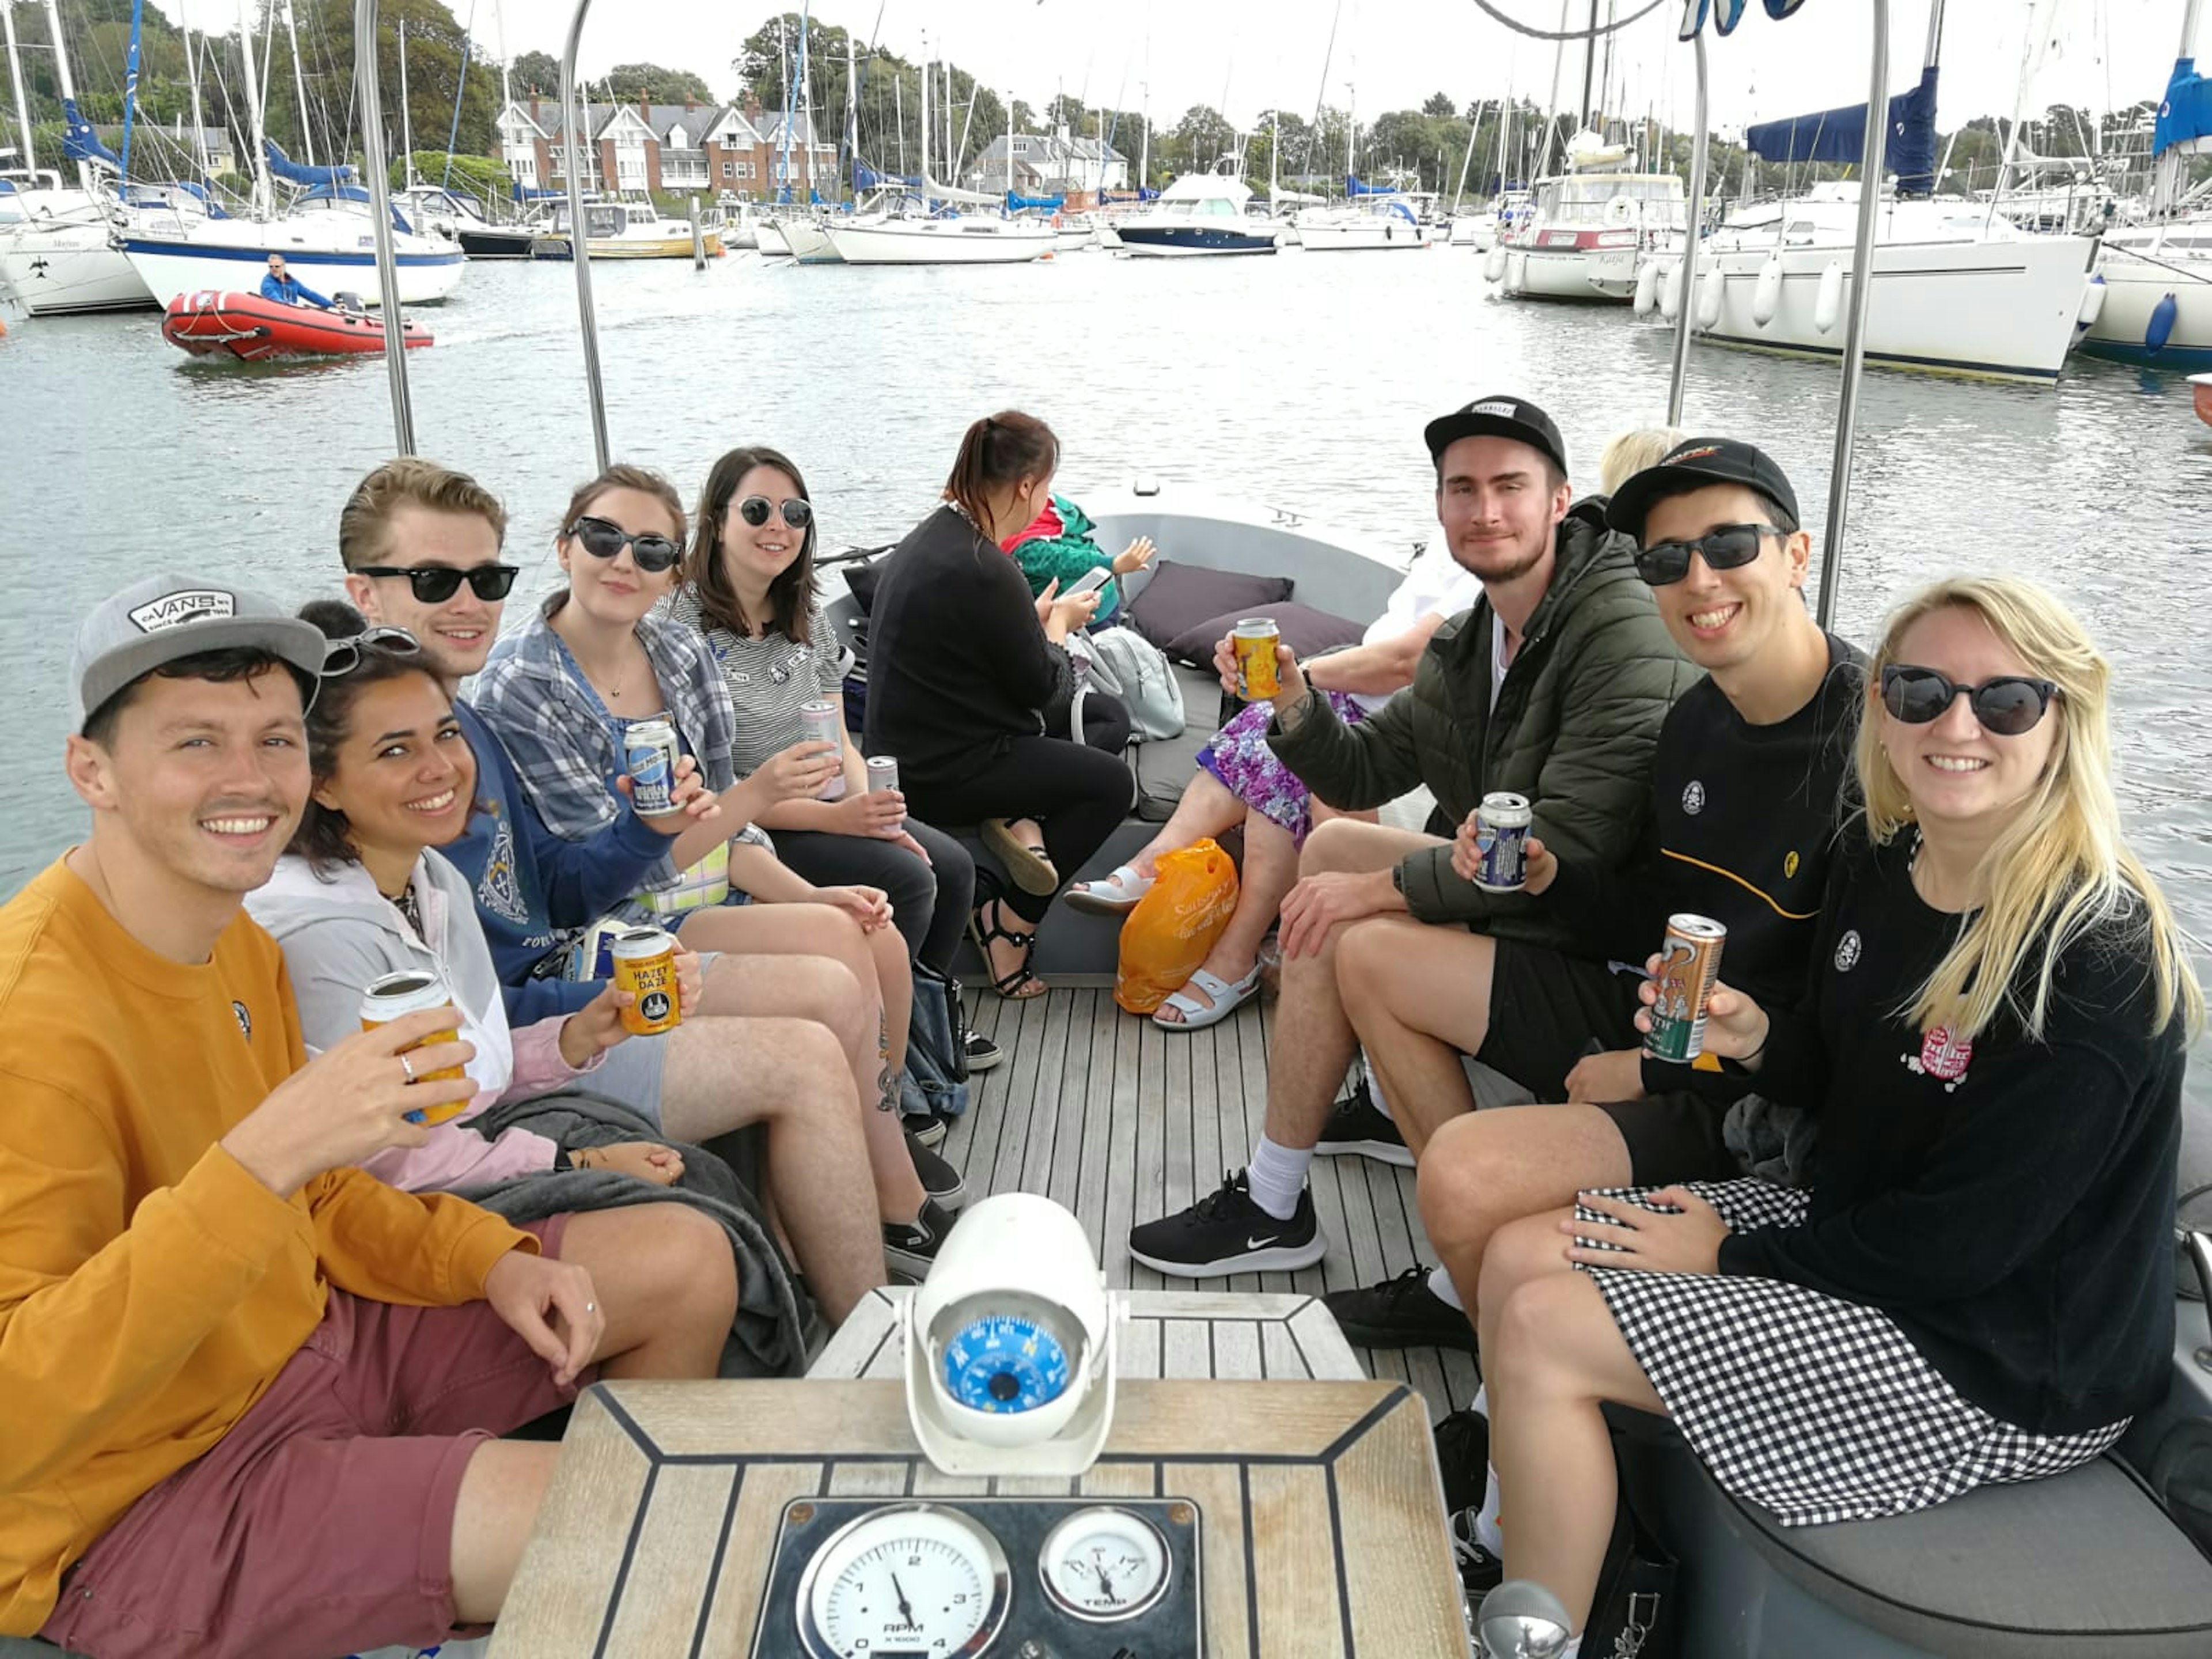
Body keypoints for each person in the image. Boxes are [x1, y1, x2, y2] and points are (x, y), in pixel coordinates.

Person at [4, 575, 736, 1659]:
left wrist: (491, 1260)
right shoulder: (32, 1023)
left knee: (684, 1260)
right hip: (136, 1494)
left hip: (302, 1343)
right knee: (634, 1526)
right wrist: (262, 1158)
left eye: (273, 740)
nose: (249, 780)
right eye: (195, 744)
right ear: (92, 771)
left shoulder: (232, 943)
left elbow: (327, 1199)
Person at [1471, 575, 2199, 1653]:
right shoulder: (1882, 859)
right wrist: (1758, 1038)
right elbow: (1843, 1063)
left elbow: (1959, 1245)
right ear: (1882, 710)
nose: (1956, 726)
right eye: (1920, 690)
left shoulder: (2092, 957)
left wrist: (1728, 1246)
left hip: (2003, 1357)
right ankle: (1515, 1548)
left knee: (1543, 1325)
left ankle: (1543, 1641)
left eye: (2006, 701)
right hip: (1863, 1240)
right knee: (1516, 1256)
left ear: (2062, 723)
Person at [338, 457, 950, 1285]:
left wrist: (651, 827)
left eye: (485, 578)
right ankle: (860, 1232)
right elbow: (534, 945)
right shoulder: (480, 713)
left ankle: (861, 1192)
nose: (466, 601)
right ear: (364, 594)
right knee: (831, 992)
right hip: (566, 987)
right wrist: (595, 997)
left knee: (865, 929)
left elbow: (560, 884)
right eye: (431, 578)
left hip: (573, 964)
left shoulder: (472, 721)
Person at [1127, 395, 1696, 1278]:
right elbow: (1361, 773)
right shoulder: (1482, 637)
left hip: (1618, 961)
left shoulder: (1619, 633)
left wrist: (1379, 895)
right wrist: (1290, 702)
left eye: (1511, 486)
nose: (1485, 510)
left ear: (1560, 501)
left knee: (1360, 941)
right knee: (1332, 851)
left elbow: (1566, 853)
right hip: (1536, 911)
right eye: (1462, 489)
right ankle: (1281, 1198)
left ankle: (1455, 1253)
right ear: (1439, 509)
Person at [1327, 439, 1861, 1362]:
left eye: (1731, 546)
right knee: (1366, 952)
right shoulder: (1697, 719)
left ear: (1798, 555)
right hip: (1668, 1016)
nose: (1700, 580)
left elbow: (1840, 1045)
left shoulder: (1877, 752)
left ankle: (1503, 1388)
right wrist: (1552, 877)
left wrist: (1651, 1072)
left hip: (1757, 1094)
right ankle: (1467, 1269)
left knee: (1463, 1172)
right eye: (1666, 559)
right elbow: (1658, 911)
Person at [1066, 532, 1490, 1029]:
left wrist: (1300, 677)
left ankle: (1233, 952)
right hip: (1359, 702)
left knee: (1290, 745)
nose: (1476, 508)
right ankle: (1164, 870)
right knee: (1278, 727)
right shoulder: (1448, 550)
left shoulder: (1488, 573)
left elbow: (1405, 664)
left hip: (1397, 729)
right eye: (1458, 486)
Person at [660, 444, 980, 992]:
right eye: (757, 511)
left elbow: (840, 742)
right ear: (716, 523)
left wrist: (873, 814)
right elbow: (710, 791)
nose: (778, 527)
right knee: (908, 880)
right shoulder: (681, 629)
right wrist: (835, 820)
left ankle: (924, 1012)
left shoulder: (804, 615)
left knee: (953, 868)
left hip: (826, 805)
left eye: (796, 514)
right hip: (748, 829)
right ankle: (879, 1021)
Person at [862, 411, 1139, 1000]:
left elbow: (977, 655)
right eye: (1045, 488)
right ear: (1025, 487)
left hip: (912, 748)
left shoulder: (934, 539)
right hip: (945, 772)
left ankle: (1021, 823)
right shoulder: (986, 568)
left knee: (1102, 721)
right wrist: (1060, 625)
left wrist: (1031, 625)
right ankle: (1009, 921)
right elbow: (1046, 689)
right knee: (1112, 781)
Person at [1000, 489, 1157, 627]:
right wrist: (1112, 564)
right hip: (1100, 602)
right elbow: (1064, 558)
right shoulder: (1051, 510)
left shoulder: (1021, 543)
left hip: (1092, 615)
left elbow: (1065, 561)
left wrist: (1113, 564)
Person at [259, 251, 332, 310]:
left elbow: (309, 294)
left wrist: (331, 304)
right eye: (271, 267)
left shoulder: (292, 282)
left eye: (277, 267)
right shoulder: (267, 284)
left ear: (284, 266)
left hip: (292, 315)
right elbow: (276, 301)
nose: (274, 269)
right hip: (279, 315)